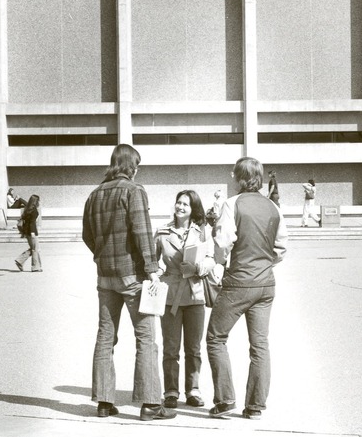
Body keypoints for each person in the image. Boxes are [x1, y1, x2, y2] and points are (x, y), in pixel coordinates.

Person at [82, 143, 175, 422]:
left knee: (105, 337)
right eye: (137, 164)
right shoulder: (134, 191)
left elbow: (87, 235)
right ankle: (149, 404)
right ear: (130, 165)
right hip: (133, 276)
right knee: (146, 338)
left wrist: (102, 255)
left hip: (105, 277)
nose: (137, 170)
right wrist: (152, 269)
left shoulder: (94, 194)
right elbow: (143, 233)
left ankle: (104, 402)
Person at [206, 157, 288, 420]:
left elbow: (224, 241)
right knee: (260, 345)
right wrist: (265, 264)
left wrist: (219, 262)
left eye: (235, 175)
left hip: (239, 282)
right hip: (265, 283)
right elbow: (281, 248)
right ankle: (255, 406)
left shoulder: (232, 204)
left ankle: (224, 398)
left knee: (216, 338)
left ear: (241, 178)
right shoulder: (273, 207)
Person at [154, 189, 217, 409]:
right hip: (171, 296)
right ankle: (171, 391)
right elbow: (151, 262)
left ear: (193, 210)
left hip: (195, 294)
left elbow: (212, 259)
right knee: (170, 347)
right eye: (178, 202)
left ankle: (193, 390)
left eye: (186, 205)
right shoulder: (162, 231)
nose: (180, 207)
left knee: (194, 348)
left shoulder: (202, 232)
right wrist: (158, 276)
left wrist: (198, 267)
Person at [14, 194, 41, 272]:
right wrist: (33, 232)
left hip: (27, 232)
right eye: (38, 200)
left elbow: (26, 221)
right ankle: (35, 267)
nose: (39, 202)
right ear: (36, 202)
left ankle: (20, 261)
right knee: (35, 249)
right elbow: (32, 222)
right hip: (32, 232)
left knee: (33, 248)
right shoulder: (34, 210)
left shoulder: (27, 209)